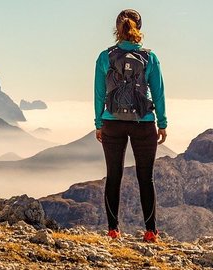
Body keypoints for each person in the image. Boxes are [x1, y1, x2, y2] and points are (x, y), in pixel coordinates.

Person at [93, 9, 167, 243]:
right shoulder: (150, 57)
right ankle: (150, 232)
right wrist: (162, 123)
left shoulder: (106, 56)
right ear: (139, 28)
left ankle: (113, 230)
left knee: (113, 176)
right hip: (143, 123)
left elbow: (99, 93)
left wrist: (98, 122)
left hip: (112, 123)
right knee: (146, 178)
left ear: (118, 30)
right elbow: (158, 92)